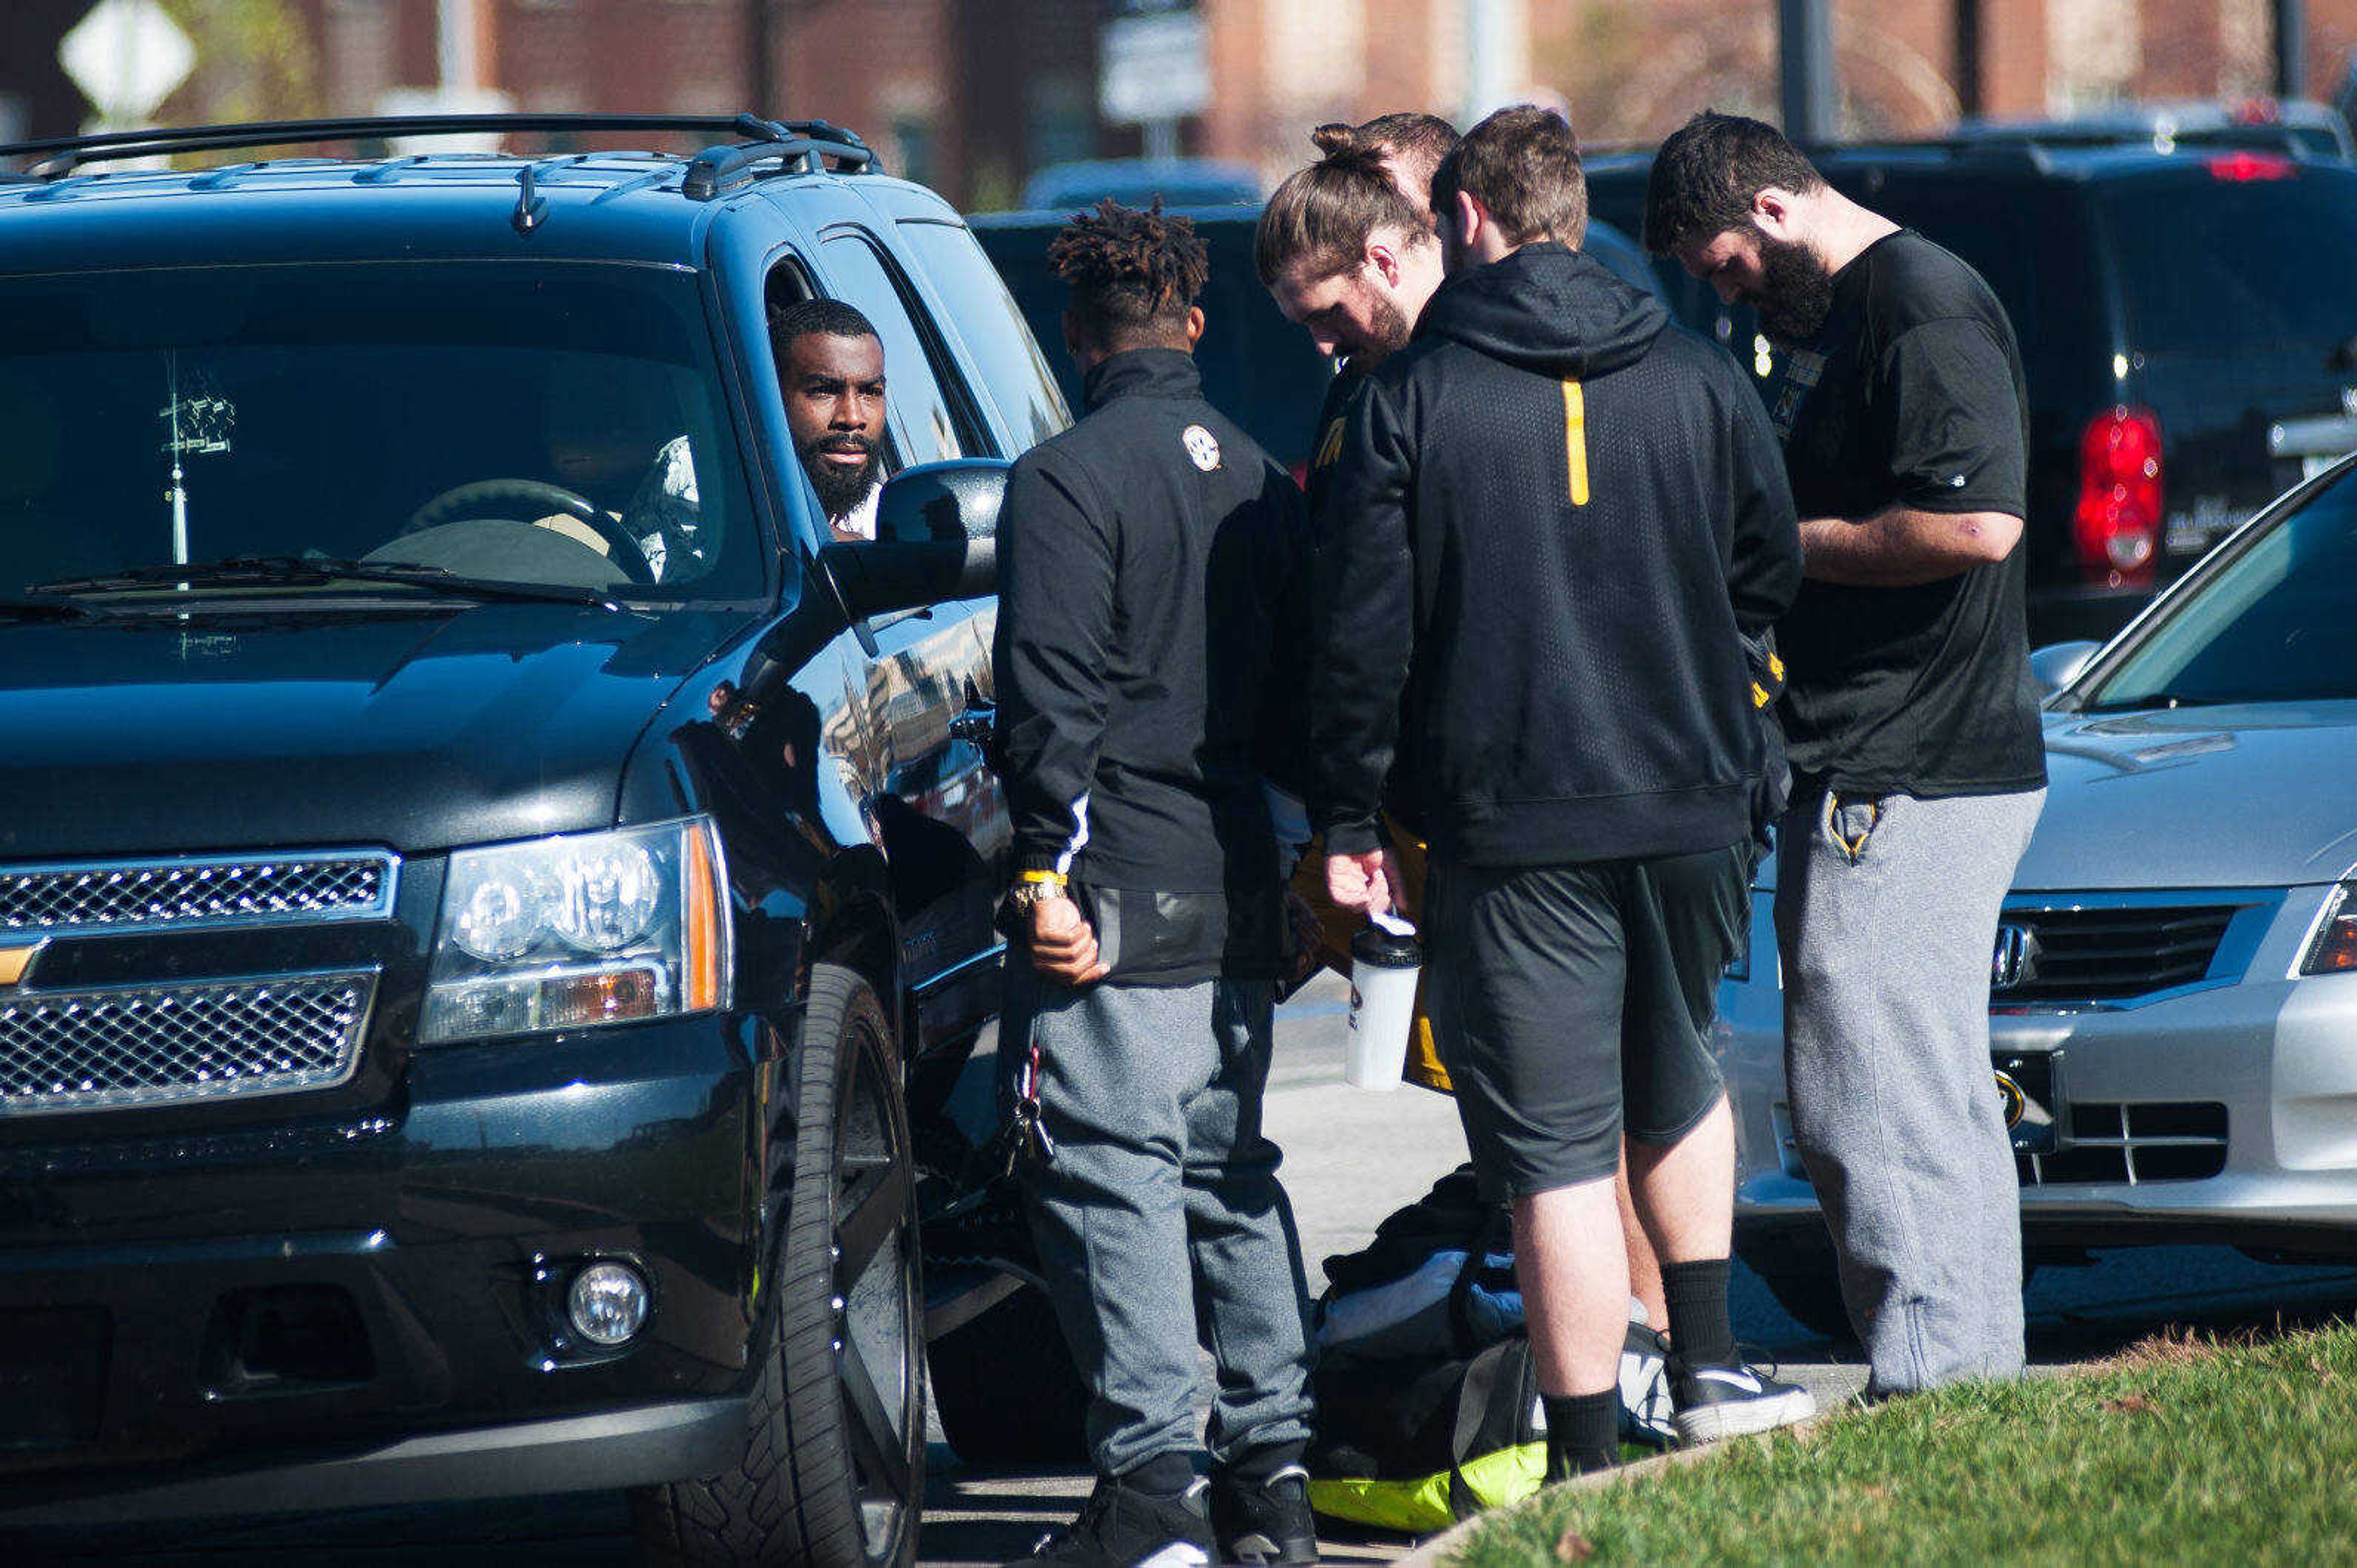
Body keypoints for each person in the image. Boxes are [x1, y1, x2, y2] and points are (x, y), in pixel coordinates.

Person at [1311, 104, 1813, 1479]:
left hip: (1514, 818)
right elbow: (1768, 567)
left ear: (1466, 222)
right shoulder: (1701, 375)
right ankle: (1707, 1362)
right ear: (1574, 214)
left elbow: (1365, 637)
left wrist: (1352, 817)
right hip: (1695, 798)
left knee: (1552, 1155)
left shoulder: (1416, 397)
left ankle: (1590, 1459)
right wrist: (1728, 700)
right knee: (1679, 1071)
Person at [1643, 111, 2048, 1396]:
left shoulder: (1920, 307)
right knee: (1913, 1070)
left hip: (1914, 750)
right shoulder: (1839, 314)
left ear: (1770, 209)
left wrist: (1781, 543)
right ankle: (1969, 1373)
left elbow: (1977, 522)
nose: (1726, 292)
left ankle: (1929, 1374)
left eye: (1724, 266)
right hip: (1885, 747)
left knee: (1863, 1074)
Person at [1258, 116, 1679, 1338]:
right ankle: (1643, 1360)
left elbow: (1388, 625)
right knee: (1547, 1119)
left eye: (1376, 206)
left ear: (1415, 231)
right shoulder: (1406, 379)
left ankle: (1643, 1363)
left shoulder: (1448, 381)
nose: (1323, 339)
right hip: (1526, 789)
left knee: (1567, 1120)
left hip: (1514, 799)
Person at [993, 199, 1318, 1568]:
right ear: (1191, 323)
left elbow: (1051, 699)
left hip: (1118, 877)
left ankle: (1154, 1491)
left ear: (1079, 337)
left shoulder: (1066, 477)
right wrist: (1314, 867)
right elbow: (1314, 695)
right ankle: (1276, 1475)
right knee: (1228, 1164)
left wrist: (1037, 871)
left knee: (1111, 1170)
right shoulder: (1258, 472)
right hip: (1242, 870)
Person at [772, 296, 889, 542]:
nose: (853, 417)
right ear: (770, 392)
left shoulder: (886, 518)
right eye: (823, 391)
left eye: (870, 393)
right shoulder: (705, 473)